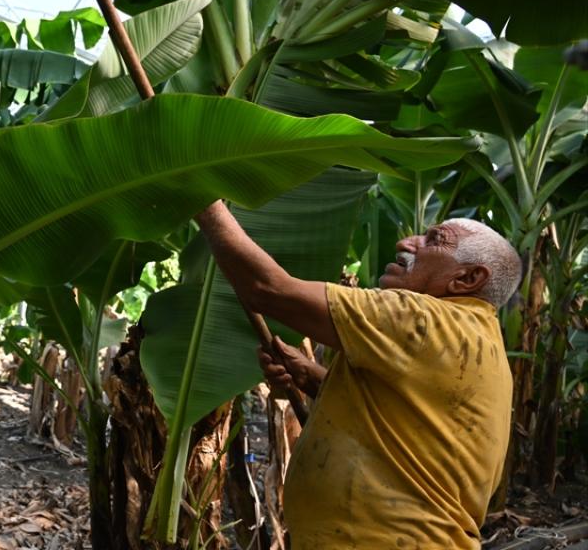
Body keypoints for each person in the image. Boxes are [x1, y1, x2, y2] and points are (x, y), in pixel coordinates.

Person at [195, 201, 521, 549]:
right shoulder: (479, 341)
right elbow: (406, 420)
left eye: (434, 239)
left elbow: (268, 289)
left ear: (467, 279)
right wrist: (310, 377)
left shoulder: (423, 320)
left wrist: (204, 201)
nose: (406, 242)